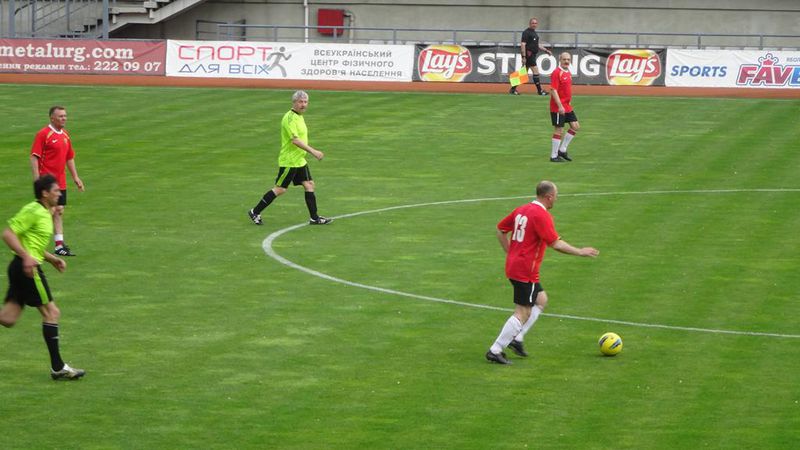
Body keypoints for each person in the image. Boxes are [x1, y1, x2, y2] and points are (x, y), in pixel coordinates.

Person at [486, 180, 599, 365]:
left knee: (541, 299)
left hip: (515, 265)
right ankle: (496, 349)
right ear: (549, 197)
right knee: (523, 311)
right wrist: (580, 251)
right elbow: (555, 243)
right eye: (556, 196)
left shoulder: (521, 209)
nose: (556, 199)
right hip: (525, 270)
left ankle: (518, 337)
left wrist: (510, 252)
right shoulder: (541, 215)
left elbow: (501, 230)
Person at [1, 175, 86, 380]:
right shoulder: (33, 210)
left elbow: (33, 245)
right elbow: (8, 234)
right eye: (56, 190)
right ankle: (58, 367)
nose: (59, 193)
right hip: (27, 270)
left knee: (7, 318)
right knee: (52, 312)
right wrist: (27, 258)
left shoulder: (45, 212)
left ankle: (58, 367)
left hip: (22, 266)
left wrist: (51, 259)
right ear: (44, 193)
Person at [248, 90, 332, 226]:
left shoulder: (299, 116)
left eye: (305, 102)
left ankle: (314, 218)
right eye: (300, 102)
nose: (303, 105)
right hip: (289, 161)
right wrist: (313, 151)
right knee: (280, 189)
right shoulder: (290, 118)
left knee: (309, 184)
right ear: (294, 102)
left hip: (299, 160)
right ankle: (255, 211)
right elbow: (295, 141)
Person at [30, 106, 85, 256]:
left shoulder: (65, 135)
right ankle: (33, 241)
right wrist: (37, 180)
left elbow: (69, 157)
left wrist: (75, 177)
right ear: (52, 118)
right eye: (60, 116)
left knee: (59, 210)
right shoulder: (43, 134)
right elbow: (34, 157)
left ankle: (59, 246)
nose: (64, 118)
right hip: (46, 181)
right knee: (48, 211)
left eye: (65, 116)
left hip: (60, 181)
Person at [549, 52, 580, 162]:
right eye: (564, 59)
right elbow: (553, 90)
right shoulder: (556, 73)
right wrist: (560, 106)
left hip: (567, 106)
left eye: (568, 59)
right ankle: (553, 156)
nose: (567, 61)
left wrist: (568, 103)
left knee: (575, 126)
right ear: (560, 60)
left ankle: (562, 150)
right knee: (559, 130)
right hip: (558, 107)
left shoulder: (568, 72)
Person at [510, 17, 552, 96]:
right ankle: (540, 91)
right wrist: (524, 56)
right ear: (530, 24)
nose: (534, 24)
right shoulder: (526, 32)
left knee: (523, 72)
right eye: (533, 23)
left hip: (532, 54)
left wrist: (546, 50)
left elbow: (538, 44)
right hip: (529, 54)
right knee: (535, 71)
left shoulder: (534, 33)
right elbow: (523, 44)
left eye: (536, 23)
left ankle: (513, 89)